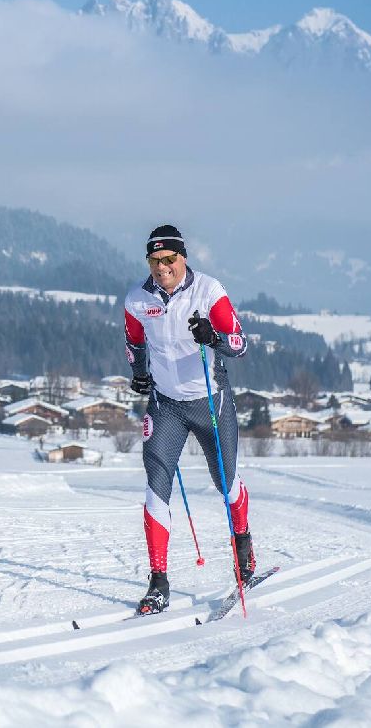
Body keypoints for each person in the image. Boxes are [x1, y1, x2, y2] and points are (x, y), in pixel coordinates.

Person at [123, 225, 254, 613]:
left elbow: (240, 345)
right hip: (166, 406)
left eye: (168, 260)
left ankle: (243, 545)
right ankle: (158, 581)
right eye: (154, 261)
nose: (162, 268)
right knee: (155, 486)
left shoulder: (209, 292)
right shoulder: (137, 299)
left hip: (210, 402)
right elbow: (133, 341)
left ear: (183, 258)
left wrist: (213, 336)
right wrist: (139, 372)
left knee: (226, 483)